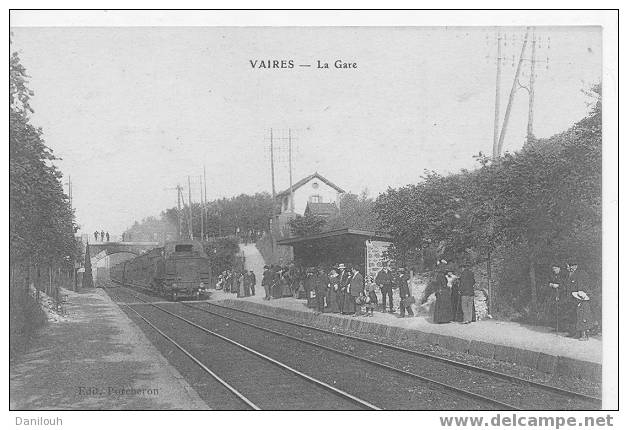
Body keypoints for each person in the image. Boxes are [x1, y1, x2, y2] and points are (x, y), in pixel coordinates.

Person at [566, 260, 597, 338]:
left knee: (582, 315)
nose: (570, 268)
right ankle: (574, 332)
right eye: (569, 266)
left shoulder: (580, 273)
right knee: (573, 315)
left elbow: (581, 284)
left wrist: (580, 293)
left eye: (571, 266)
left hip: (580, 296)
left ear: (576, 266)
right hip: (573, 296)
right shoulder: (570, 274)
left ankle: (583, 334)